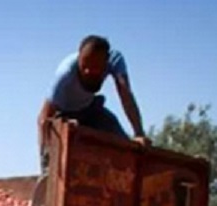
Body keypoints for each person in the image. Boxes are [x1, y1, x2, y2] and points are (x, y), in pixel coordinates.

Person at [38, 35, 148, 171]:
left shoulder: (114, 60)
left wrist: (139, 134)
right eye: (84, 66)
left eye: (94, 68)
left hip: (90, 109)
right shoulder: (65, 73)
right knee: (68, 133)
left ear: (106, 64)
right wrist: (46, 164)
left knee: (124, 145)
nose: (87, 71)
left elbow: (126, 95)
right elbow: (43, 118)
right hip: (65, 115)